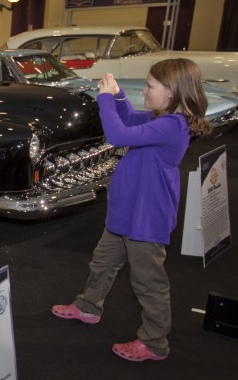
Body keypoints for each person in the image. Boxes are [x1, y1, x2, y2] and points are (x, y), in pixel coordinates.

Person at [51, 58, 211, 362]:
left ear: (172, 92)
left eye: (150, 86)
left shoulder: (172, 125)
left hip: (146, 217)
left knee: (148, 283)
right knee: (102, 263)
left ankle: (154, 342)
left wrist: (106, 98)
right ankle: (88, 306)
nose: (146, 91)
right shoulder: (161, 119)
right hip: (128, 212)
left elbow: (119, 135)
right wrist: (119, 97)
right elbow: (131, 120)